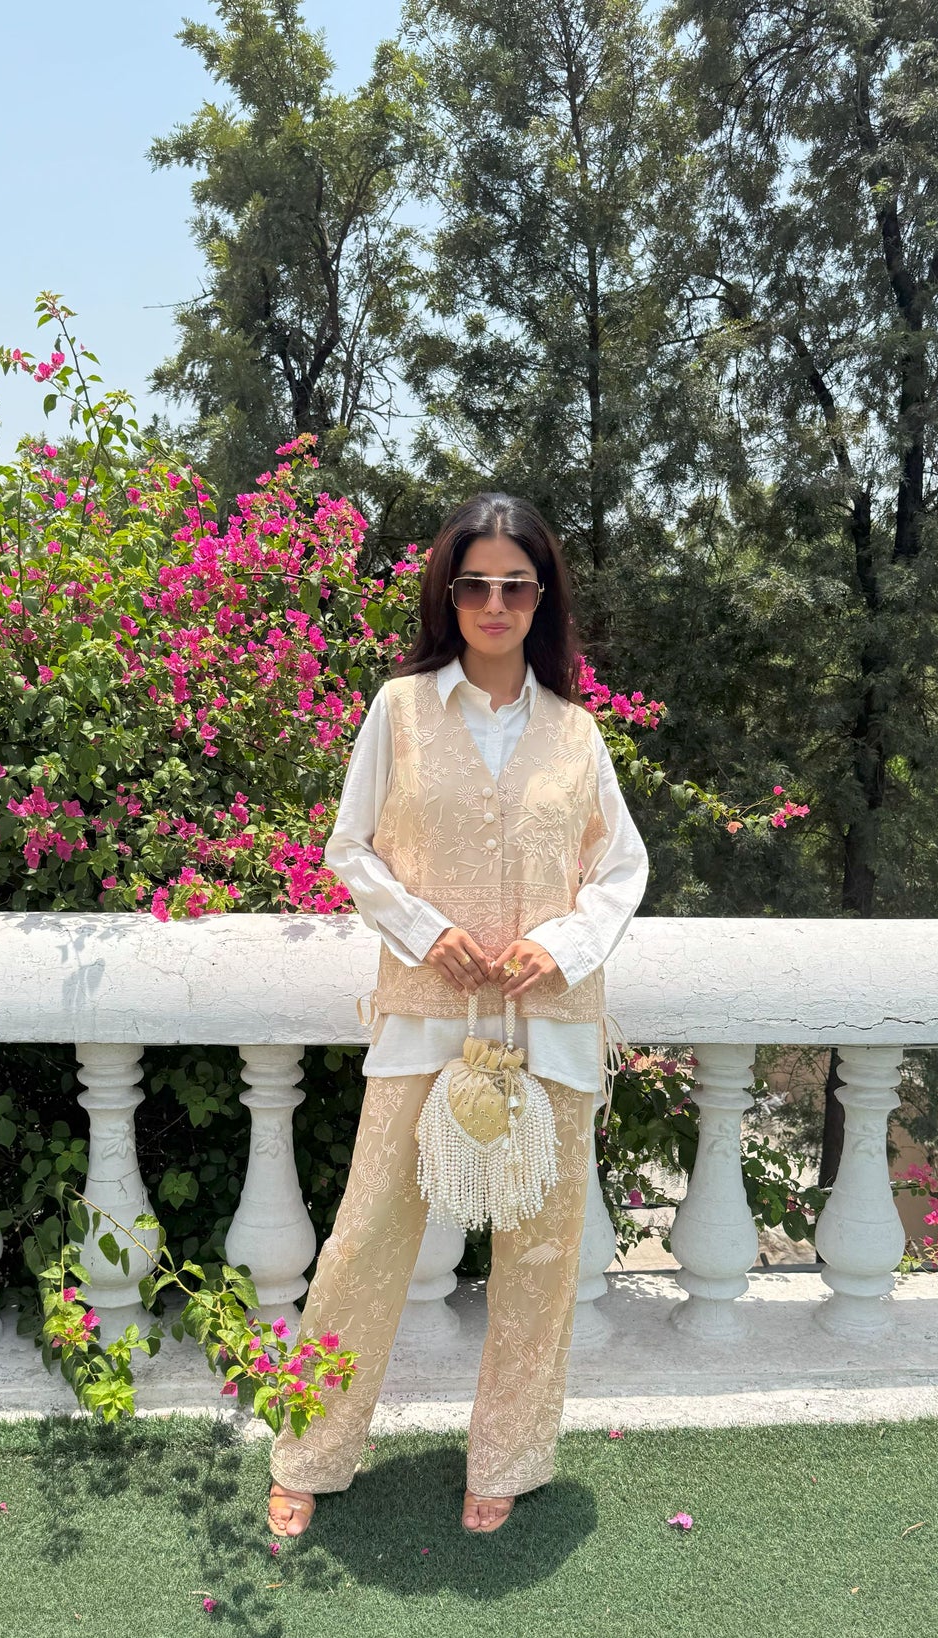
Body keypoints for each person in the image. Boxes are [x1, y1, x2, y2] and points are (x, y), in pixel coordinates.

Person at [267, 492, 649, 1536]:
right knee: (367, 1232)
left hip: (547, 1024)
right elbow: (351, 847)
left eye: (515, 585)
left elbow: (621, 868)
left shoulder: (575, 735)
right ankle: (309, 1447)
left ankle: (509, 1458)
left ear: (541, 597)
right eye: (474, 582)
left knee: (540, 1251)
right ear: (448, 592)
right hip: (425, 1012)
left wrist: (561, 944)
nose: (493, 602)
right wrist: (425, 930)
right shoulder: (398, 710)